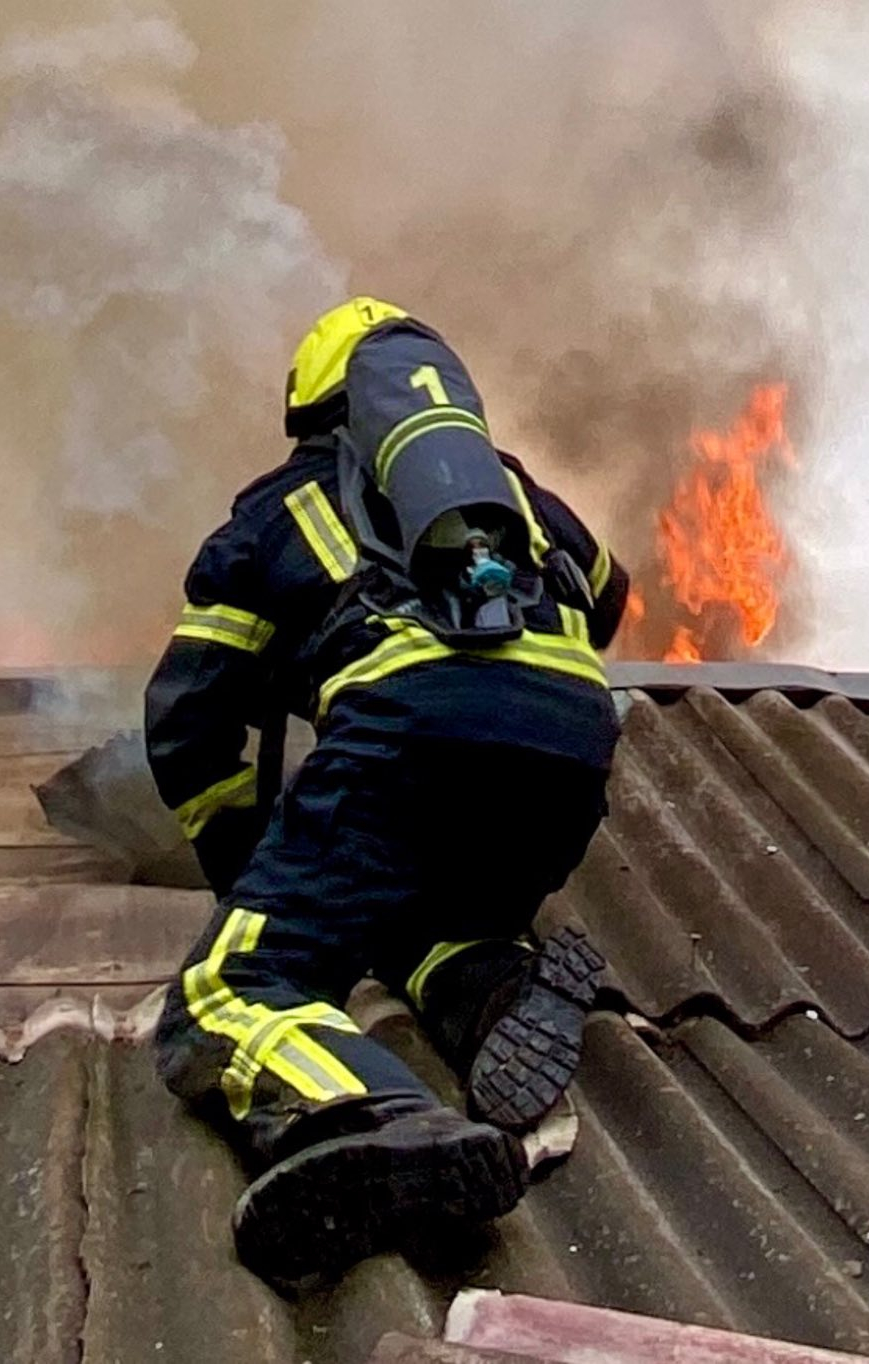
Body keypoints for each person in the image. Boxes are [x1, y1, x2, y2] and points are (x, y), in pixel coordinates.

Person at [144, 298, 631, 1285]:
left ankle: (378, 1117)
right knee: (422, 926)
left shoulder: (279, 508)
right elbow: (611, 594)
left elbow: (189, 717)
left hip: (412, 729)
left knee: (228, 991)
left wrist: (246, 868)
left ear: (314, 409)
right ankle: (496, 991)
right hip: (570, 746)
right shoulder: (519, 500)